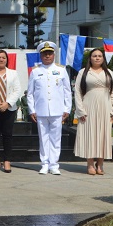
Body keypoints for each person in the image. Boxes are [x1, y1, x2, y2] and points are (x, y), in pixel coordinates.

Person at [27, 41, 72, 175]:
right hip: (40, 110)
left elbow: (67, 91)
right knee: (43, 138)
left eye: (50, 53)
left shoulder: (61, 70)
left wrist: (67, 109)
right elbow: (30, 93)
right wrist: (32, 110)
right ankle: (44, 164)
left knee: (56, 138)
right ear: (40, 56)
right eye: (44, 54)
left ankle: (54, 164)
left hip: (57, 110)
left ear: (54, 55)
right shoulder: (35, 72)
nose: (47, 56)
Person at [73, 48, 113, 175]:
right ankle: (90, 164)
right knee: (90, 135)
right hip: (89, 106)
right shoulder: (84, 72)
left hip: (105, 106)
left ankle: (101, 164)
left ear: (103, 58)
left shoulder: (108, 72)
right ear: (90, 58)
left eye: (99, 56)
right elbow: (77, 92)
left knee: (103, 135)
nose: (97, 58)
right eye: (94, 56)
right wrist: (80, 111)